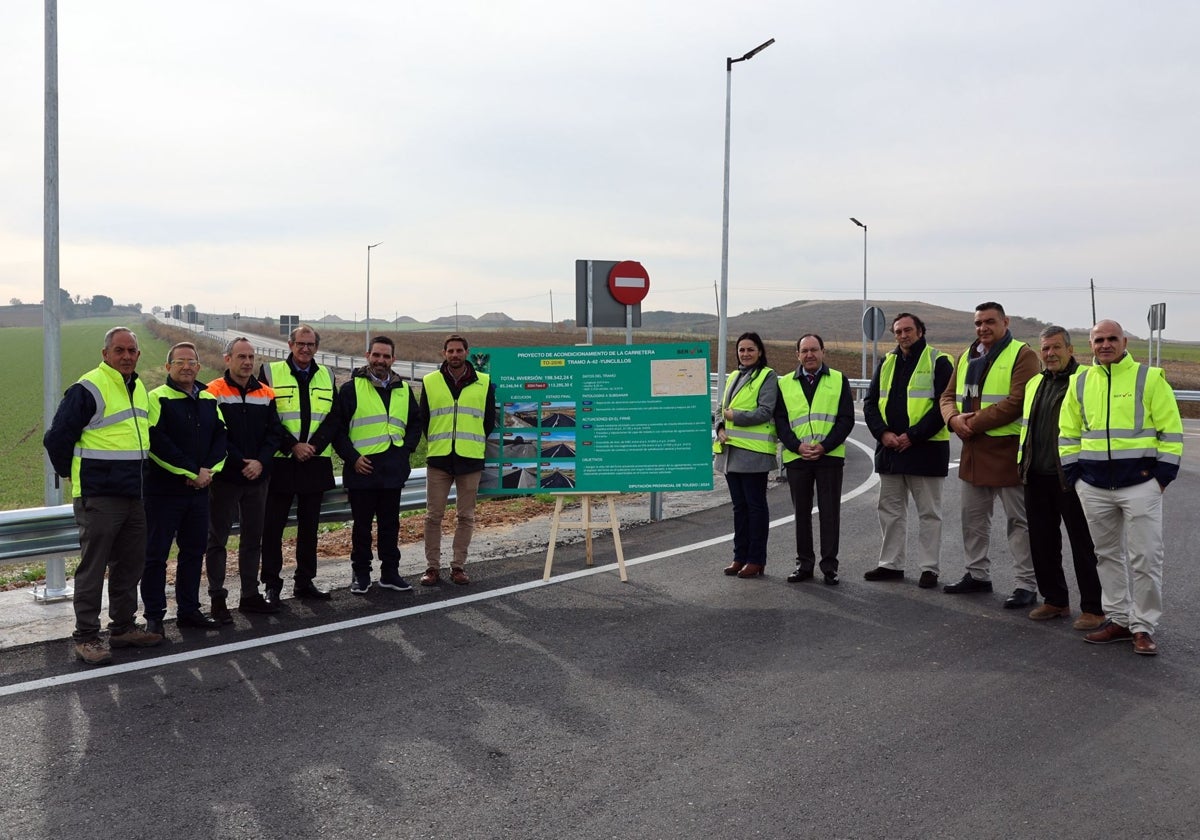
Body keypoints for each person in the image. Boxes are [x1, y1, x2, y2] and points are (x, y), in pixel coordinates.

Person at [1060, 320, 1183, 655]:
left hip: (1140, 485)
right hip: (1094, 487)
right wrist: (1076, 478)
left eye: (1112, 338)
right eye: (1099, 339)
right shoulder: (1081, 381)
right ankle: (1118, 620)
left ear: (1124, 341)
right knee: (1106, 556)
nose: (1105, 344)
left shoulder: (1149, 378)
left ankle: (1143, 627)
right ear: (1091, 344)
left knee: (1145, 557)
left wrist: (1161, 479)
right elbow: (1068, 433)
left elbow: (1171, 433)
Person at [43, 327, 163, 665]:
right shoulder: (89, 387)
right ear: (105, 353)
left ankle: (123, 628)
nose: (126, 356)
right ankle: (86, 636)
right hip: (100, 497)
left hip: (134, 495)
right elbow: (57, 438)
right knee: (93, 569)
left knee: (129, 566)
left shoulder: (138, 387)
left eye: (131, 351)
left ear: (139, 355)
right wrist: (74, 474)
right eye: (119, 350)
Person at [939, 301, 1039, 606]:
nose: (983, 328)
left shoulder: (1023, 354)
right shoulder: (967, 355)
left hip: (1008, 452)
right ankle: (977, 574)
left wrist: (971, 423)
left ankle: (1026, 584)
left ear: (1005, 322)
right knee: (972, 520)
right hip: (973, 451)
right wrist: (953, 419)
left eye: (990, 322)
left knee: (1019, 524)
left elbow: (1017, 400)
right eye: (978, 323)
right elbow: (946, 396)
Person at [1017, 326, 1104, 630]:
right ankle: (1055, 600)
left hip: (1073, 476)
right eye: (1045, 349)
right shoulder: (1034, 383)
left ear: (1070, 350)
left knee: (1083, 545)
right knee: (1042, 542)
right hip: (1036, 475)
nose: (1050, 354)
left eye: (1056, 348)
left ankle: (1094, 608)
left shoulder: (1086, 380)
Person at [862, 313, 953, 589]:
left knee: (929, 513)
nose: (903, 335)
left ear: (921, 331)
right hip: (890, 452)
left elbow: (944, 405)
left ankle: (929, 569)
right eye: (898, 331)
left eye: (908, 330)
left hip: (925, 450)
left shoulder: (939, 361)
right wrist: (884, 434)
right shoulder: (887, 361)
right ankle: (890, 564)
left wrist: (911, 436)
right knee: (890, 511)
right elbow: (870, 403)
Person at [142, 342, 228, 633]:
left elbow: (221, 437)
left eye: (192, 362)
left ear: (199, 367)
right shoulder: (157, 398)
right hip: (164, 492)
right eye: (180, 362)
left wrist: (207, 473)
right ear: (168, 367)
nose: (187, 367)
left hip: (199, 491)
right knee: (156, 555)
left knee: (193, 552)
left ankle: (189, 611)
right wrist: (191, 471)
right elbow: (155, 442)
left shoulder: (208, 398)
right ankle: (154, 617)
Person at [332, 336, 423, 594]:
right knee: (361, 528)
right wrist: (352, 459)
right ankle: (361, 574)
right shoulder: (351, 389)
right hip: (362, 470)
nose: (381, 360)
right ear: (367, 355)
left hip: (392, 471)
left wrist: (405, 451)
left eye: (386, 356)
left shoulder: (404, 389)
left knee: (390, 525)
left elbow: (415, 424)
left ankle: (390, 573)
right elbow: (338, 430)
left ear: (393, 359)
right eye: (376, 355)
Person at [205, 336, 285, 618]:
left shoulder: (265, 393)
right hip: (226, 479)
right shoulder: (212, 391)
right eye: (242, 357)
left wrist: (261, 463)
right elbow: (216, 434)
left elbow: (274, 433)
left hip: (258, 479)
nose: (248, 362)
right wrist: (241, 463)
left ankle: (250, 594)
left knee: (253, 539)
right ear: (227, 359)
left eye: (251, 357)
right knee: (217, 540)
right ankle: (217, 598)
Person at [260, 325, 337, 603]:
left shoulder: (327, 375)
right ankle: (271, 585)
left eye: (311, 344)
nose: (306, 349)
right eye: (300, 343)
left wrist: (313, 447)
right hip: (281, 463)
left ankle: (305, 582)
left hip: (314, 463)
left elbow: (333, 418)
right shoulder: (270, 372)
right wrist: (292, 446)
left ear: (317, 347)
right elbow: (267, 417)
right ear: (290, 344)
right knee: (272, 529)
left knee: (309, 529)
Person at [774, 334, 855, 586]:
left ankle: (830, 566)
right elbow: (780, 421)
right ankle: (804, 564)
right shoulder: (784, 383)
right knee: (801, 514)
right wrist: (797, 447)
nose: (809, 355)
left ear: (823, 352)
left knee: (830, 513)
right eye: (804, 350)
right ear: (797, 354)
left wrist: (824, 446)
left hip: (829, 457)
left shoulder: (839, 380)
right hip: (797, 459)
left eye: (814, 350)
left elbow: (846, 420)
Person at [419, 334, 496, 586]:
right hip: (439, 458)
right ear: (444, 353)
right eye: (450, 351)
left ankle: (458, 567)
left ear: (467, 353)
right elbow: (424, 419)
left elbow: (487, 422)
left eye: (459, 350)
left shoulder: (484, 382)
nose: (455, 354)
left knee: (466, 517)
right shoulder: (430, 382)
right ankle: (432, 568)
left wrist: (470, 441)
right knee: (433, 516)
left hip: (469, 459)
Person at [714, 332, 779, 578]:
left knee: (755, 508)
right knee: (739, 508)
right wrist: (720, 426)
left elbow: (765, 411)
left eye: (750, 349)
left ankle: (756, 559)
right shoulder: (734, 376)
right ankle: (739, 556)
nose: (746, 353)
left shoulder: (767, 376)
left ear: (760, 351)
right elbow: (722, 408)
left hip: (753, 455)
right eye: (742, 349)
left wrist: (735, 417)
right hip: (730, 454)